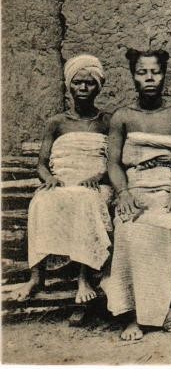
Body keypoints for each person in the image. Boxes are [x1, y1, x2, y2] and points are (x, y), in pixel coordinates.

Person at [102, 48, 171, 341]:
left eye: (155, 72)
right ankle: (132, 317)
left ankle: (162, 307)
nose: (149, 78)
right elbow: (114, 163)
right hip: (136, 187)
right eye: (142, 73)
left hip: (169, 187)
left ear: (164, 74)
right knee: (130, 232)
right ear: (133, 76)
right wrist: (124, 193)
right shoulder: (123, 117)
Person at [10, 55, 112, 304]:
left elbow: (115, 161)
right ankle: (36, 276)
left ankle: (84, 277)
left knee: (85, 200)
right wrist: (50, 179)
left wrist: (99, 176)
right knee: (41, 201)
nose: (83, 88)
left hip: (94, 184)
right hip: (63, 180)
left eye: (89, 83)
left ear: (98, 86)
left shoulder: (106, 121)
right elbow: (42, 164)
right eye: (78, 83)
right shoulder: (57, 122)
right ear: (69, 85)